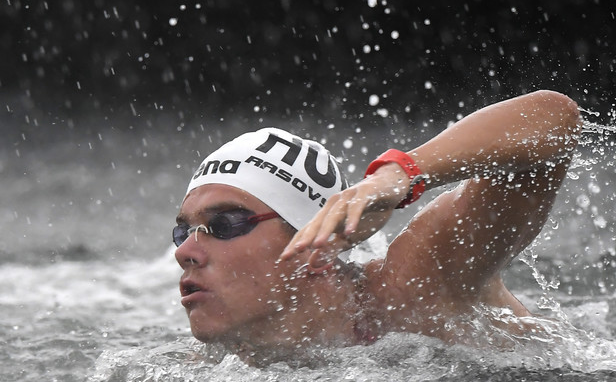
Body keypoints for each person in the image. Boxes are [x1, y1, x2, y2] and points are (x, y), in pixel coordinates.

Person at [173, 90, 582, 361]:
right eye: (183, 231)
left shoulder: (415, 287)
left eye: (224, 223)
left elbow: (551, 118)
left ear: (319, 247)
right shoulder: (228, 356)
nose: (183, 252)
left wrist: (398, 176)